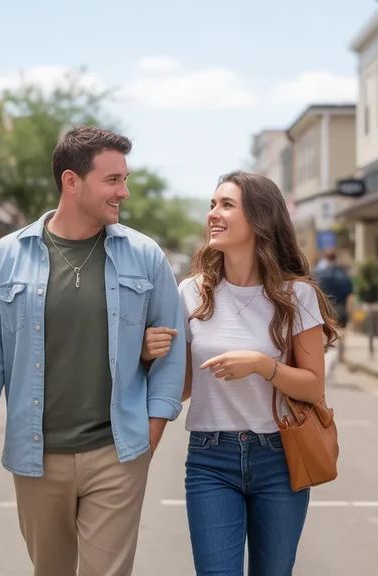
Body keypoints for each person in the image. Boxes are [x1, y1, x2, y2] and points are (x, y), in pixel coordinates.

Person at [0, 126, 186, 576]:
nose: (124, 191)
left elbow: (171, 354)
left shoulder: (145, 256)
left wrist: (150, 436)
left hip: (117, 453)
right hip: (37, 456)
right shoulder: (5, 258)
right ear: (71, 181)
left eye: (124, 179)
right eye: (112, 180)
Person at [142, 171, 338, 575]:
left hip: (279, 458)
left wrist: (262, 366)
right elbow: (182, 386)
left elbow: (313, 386)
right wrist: (147, 357)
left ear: (259, 219)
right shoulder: (192, 293)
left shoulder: (296, 295)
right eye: (212, 205)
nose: (213, 213)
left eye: (227, 205)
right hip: (210, 459)